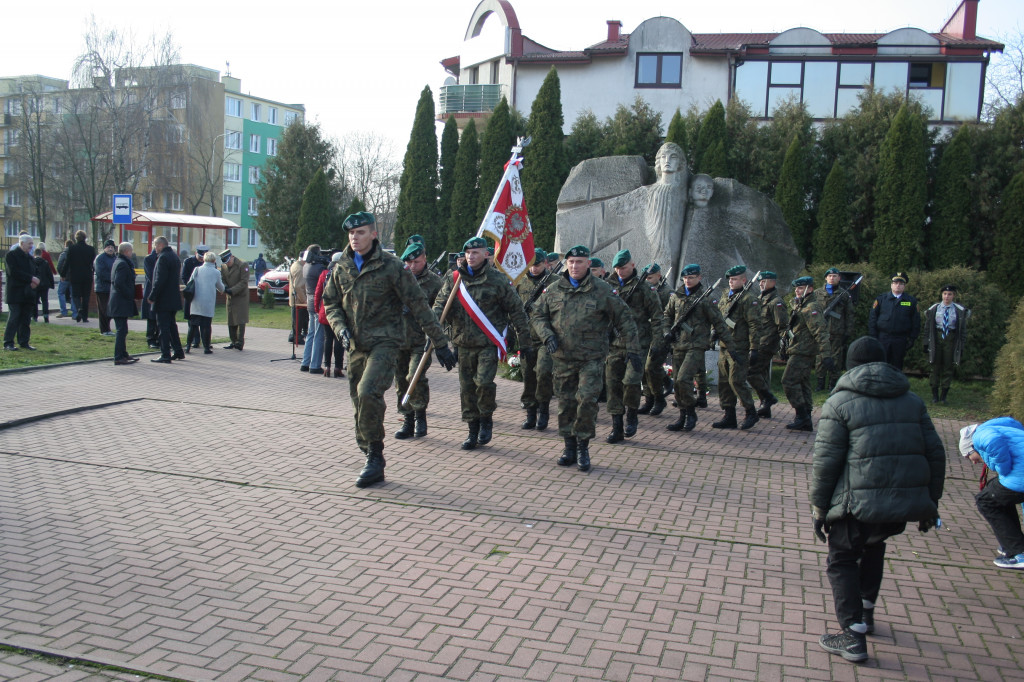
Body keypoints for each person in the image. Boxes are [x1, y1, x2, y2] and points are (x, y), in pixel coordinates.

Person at [812, 336, 945, 663]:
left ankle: (853, 636)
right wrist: (931, 502)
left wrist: (819, 508)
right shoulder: (911, 400)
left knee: (842, 559)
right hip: (897, 504)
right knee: (874, 546)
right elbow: (936, 454)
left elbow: (826, 461)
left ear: (851, 365)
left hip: (856, 502)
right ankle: (866, 613)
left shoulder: (839, 402)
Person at [322, 211, 456, 488]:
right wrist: (340, 329)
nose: (354, 238)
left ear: (373, 234)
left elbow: (420, 305)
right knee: (359, 403)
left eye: (360, 232)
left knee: (368, 391)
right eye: (351, 233)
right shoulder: (342, 267)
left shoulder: (392, 267)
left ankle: (375, 456)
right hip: (355, 345)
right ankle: (369, 449)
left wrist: (440, 344)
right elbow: (331, 303)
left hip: (386, 342)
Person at [532, 244, 639, 472]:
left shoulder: (602, 290)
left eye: (579, 262)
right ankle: (568, 447)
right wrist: (546, 335)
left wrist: (633, 349)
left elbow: (625, 319)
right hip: (562, 358)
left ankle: (583, 447)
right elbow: (538, 315)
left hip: (591, 359)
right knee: (566, 404)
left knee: (587, 400)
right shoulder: (553, 289)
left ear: (588, 264)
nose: (574, 266)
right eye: (571, 261)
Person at [434, 236, 533, 450]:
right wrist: (437, 342)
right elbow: (438, 309)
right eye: (468, 253)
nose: (471, 256)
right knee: (467, 388)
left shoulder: (497, 280)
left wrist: (524, 341)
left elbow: (516, 311)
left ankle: (486, 418)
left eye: (476, 252)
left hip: (488, 343)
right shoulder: (453, 279)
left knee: (484, 384)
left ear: (486, 254)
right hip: (462, 343)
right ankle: (472, 429)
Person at [659, 264, 737, 432]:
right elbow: (667, 315)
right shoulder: (676, 296)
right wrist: (666, 331)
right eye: (686, 278)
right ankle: (682, 415)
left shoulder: (706, 299)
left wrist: (731, 347)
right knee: (677, 383)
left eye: (692, 277)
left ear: (699, 278)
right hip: (679, 344)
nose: (688, 280)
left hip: (696, 345)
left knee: (683, 379)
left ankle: (691, 412)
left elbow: (719, 324)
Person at [605, 250, 663, 443]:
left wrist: (657, 343)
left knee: (630, 382)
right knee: (613, 386)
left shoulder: (645, 288)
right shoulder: (607, 286)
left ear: (632, 265)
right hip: (614, 344)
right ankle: (617, 427)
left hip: (638, 344)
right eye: (617, 268)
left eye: (623, 267)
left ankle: (631, 415)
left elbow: (657, 317)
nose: (620, 271)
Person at [394, 241, 443, 438]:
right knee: (400, 380)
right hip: (398, 339)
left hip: (421, 341)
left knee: (415, 376)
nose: (412, 266)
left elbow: (440, 311)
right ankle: (407, 419)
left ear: (425, 259)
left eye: (417, 261)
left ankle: (420, 416)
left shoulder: (434, 282)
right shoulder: (399, 279)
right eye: (409, 262)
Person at [960, 419, 1024, 569]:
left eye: (968, 457)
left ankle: (1019, 552)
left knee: (985, 501)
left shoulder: (979, 435)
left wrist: (1001, 467)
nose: (974, 462)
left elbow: (993, 441)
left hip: (1020, 476)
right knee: (997, 496)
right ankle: (1013, 543)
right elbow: (1011, 425)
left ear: (971, 448)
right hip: (1019, 474)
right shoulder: (1003, 428)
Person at [712, 265, 762, 430]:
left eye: (735, 279)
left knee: (736, 381)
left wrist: (754, 348)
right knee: (724, 383)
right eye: (730, 279)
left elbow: (755, 325)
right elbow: (720, 317)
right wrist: (714, 333)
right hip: (724, 346)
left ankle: (751, 412)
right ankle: (729, 415)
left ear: (744, 280)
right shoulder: (726, 295)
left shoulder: (749, 299)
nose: (732, 282)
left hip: (739, 347)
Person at [782, 276, 834, 431]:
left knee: (788, 381)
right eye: (796, 288)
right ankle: (805, 419)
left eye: (800, 288)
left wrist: (826, 355)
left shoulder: (811, 307)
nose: (797, 291)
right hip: (798, 349)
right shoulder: (801, 304)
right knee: (802, 383)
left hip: (803, 351)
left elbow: (821, 332)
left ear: (809, 289)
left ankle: (803, 415)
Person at [516, 249, 554, 430]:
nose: (533, 268)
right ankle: (531, 412)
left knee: (543, 372)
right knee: (528, 376)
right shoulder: (521, 282)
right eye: (530, 265)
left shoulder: (555, 283)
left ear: (546, 263)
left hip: (546, 338)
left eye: (537, 265)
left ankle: (544, 410)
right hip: (526, 338)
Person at [749, 271, 787, 418]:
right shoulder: (760, 299)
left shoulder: (776, 302)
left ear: (773, 282)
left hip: (767, 343)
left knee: (750, 370)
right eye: (760, 281)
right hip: (758, 342)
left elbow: (782, 326)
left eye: (764, 281)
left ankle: (768, 397)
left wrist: (783, 346)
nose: (761, 284)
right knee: (762, 374)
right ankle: (765, 406)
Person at [924, 285, 968, 404]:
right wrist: (925, 342)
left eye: (949, 294)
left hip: (950, 338)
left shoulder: (959, 310)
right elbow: (928, 327)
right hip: (937, 338)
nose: (947, 297)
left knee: (948, 367)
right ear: (941, 295)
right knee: (935, 366)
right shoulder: (934, 308)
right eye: (944, 294)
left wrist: (961, 346)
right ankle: (934, 395)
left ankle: (944, 396)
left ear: (954, 296)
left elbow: (962, 330)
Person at [868, 271, 920, 371]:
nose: (898, 285)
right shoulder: (881, 299)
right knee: (881, 365)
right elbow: (873, 318)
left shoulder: (911, 301)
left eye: (901, 284)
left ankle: (895, 386)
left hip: (900, 339)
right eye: (895, 283)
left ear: (904, 286)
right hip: (883, 337)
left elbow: (916, 321)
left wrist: (912, 338)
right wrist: (873, 336)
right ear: (891, 284)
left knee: (897, 366)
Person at [639, 263, 672, 416]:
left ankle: (659, 398)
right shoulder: (643, 290)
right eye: (645, 277)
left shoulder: (667, 292)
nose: (647, 280)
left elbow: (668, 317)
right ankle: (648, 399)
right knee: (643, 370)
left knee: (650, 367)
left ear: (659, 276)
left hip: (660, 336)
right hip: (645, 335)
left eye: (650, 277)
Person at [816, 268, 856, 391]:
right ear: (826, 278)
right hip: (821, 331)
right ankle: (820, 383)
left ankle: (833, 383)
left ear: (839, 278)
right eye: (830, 276)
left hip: (837, 331)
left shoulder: (844, 294)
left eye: (835, 276)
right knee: (820, 357)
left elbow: (850, 314)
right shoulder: (817, 293)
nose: (832, 278)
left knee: (836, 358)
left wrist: (847, 332)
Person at [147, 236, 185, 363]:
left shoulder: (163, 258)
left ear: (160, 245)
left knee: (163, 327)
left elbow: (159, 279)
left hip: (163, 299)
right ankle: (178, 351)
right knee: (172, 326)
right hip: (173, 298)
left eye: (155, 245)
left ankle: (165, 354)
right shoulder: (174, 256)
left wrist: (152, 295)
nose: (154, 248)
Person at [4, 233, 40, 351]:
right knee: (14, 318)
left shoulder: (30, 258)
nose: (31, 246)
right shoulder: (11, 256)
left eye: (32, 243)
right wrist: (30, 279)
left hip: (27, 293)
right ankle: (8, 342)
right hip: (15, 293)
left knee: (26, 319)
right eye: (29, 243)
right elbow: (13, 272)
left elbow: (35, 271)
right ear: (22, 243)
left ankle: (24, 341)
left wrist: (35, 281)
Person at [186, 250, 225, 354]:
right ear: (213, 260)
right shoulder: (216, 272)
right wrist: (223, 290)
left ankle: (188, 346)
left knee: (193, 326)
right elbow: (220, 287)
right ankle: (206, 348)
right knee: (206, 326)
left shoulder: (197, 269)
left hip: (196, 302)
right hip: (208, 302)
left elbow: (189, 282)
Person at [108, 242, 140, 365]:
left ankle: (123, 354)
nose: (131, 254)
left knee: (123, 329)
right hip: (120, 302)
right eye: (131, 251)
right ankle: (118, 356)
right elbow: (119, 283)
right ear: (126, 251)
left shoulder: (119, 262)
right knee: (121, 330)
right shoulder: (122, 264)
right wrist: (130, 294)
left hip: (120, 301)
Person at [301, 245, 328, 372]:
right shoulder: (319, 268)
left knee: (310, 333)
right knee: (318, 335)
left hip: (309, 301)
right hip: (317, 303)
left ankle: (305, 362)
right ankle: (315, 365)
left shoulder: (306, 266)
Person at [219, 249, 250, 350]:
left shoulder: (242, 265)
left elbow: (244, 281)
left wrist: (232, 290)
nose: (227, 264)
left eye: (228, 261)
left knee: (240, 319)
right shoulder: (224, 266)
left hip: (240, 296)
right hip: (230, 296)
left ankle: (240, 342)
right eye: (225, 262)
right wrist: (225, 288)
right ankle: (233, 341)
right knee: (231, 319)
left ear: (232, 257)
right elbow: (222, 278)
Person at [181, 244, 208, 351]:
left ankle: (204, 341)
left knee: (204, 319)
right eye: (200, 256)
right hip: (192, 293)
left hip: (203, 294)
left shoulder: (208, 263)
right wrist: (191, 286)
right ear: (196, 253)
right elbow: (184, 277)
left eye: (203, 257)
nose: (202, 259)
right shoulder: (188, 262)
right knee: (192, 319)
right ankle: (194, 341)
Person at [66, 229, 96, 323]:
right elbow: (94, 263)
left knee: (75, 295)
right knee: (86, 296)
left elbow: (67, 262)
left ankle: (79, 308)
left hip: (75, 275)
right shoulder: (91, 249)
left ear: (76, 238)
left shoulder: (71, 248)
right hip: (87, 275)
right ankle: (85, 317)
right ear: (85, 238)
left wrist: (63, 274)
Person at [92, 239, 117, 336]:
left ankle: (108, 328)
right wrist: (113, 278)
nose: (110, 249)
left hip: (111, 288)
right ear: (104, 248)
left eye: (112, 247)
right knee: (103, 309)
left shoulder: (115, 258)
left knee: (110, 309)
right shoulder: (100, 258)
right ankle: (104, 330)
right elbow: (100, 273)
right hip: (102, 288)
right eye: (108, 247)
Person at [142, 244, 160, 349]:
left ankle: (158, 337)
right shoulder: (149, 259)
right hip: (151, 290)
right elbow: (151, 275)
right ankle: (151, 339)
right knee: (151, 317)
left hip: (160, 291)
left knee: (159, 317)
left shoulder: (163, 257)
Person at [55, 238, 77, 320]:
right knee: (73, 295)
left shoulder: (63, 254)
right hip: (74, 277)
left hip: (65, 278)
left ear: (65, 245)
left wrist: (62, 275)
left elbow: (59, 266)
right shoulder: (76, 254)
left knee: (61, 293)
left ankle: (63, 311)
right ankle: (74, 313)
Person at [289, 251, 308, 345]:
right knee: (299, 321)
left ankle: (293, 335)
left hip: (295, 299)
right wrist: (304, 300)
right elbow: (298, 287)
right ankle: (297, 337)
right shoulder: (300, 269)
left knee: (297, 321)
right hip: (299, 300)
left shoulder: (295, 265)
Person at [32, 247, 55, 322]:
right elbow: (49, 274)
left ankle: (35, 316)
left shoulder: (32, 262)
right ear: (41, 254)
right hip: (45, 284)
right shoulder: (45, 262)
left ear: (34, 254)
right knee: (45, 300)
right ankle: (46, 317)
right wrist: (52, 284)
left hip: (35, 284)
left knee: (35, 301)